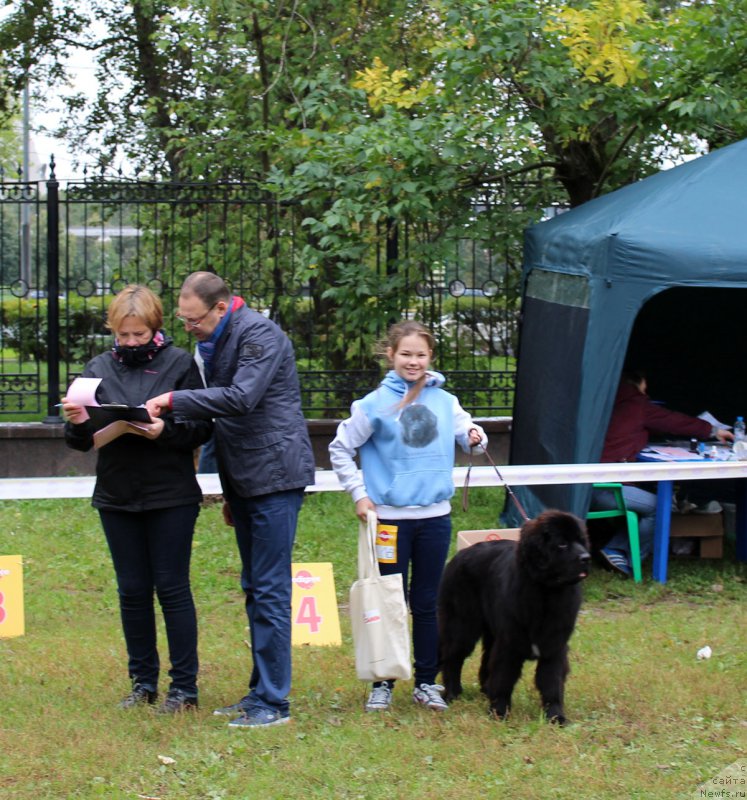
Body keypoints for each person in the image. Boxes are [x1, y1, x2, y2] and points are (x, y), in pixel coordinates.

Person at [145, 271, 315, 730]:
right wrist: (226, 487)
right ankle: (259, 692)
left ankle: (274, 704)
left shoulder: (260, 334)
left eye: (194, 319)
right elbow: (226, 420)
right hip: (246, 477)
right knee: (254, 587)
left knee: (272, 589)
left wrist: (175, 399)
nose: (189, 328)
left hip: (276, 475)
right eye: (183, 320)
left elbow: (240, 399)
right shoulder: (217, 338)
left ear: (221, 307)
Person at [62, 285, 212, 713]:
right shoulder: (96, 368)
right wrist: (76, 422)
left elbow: (202, 427)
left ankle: (184, 688)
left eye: (139, 335)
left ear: (155, 329)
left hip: (171, 494)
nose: (130, 344)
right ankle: (142, 683)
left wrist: (166, 431)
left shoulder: (181, 363)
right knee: (131, 591)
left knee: (172, 588)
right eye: (123, 336)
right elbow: (79, 442)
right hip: (116, 494)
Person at [328, 320, 487, 713]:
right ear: (391, 355)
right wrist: (360, 495)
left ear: (430, 357)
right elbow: (339, 448)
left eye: (420, 355)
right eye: (406, 354)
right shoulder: (372, 405)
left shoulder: (446, 402)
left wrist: (475, 437)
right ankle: (382, 682)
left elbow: (470, 437)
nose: (413, 361)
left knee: (427, 602)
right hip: (389, 523)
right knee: (387, 600)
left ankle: (426, 682)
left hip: (435, 519)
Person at [591, 369, 733, 576]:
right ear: (638, 383)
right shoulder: (636, 404)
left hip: (583, 483)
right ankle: (621, 554)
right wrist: (712, 430)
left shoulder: (605, 401)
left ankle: (615, 549)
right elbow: (673, 421)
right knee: (661, 506)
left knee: (652, 498)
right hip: (605, 487)